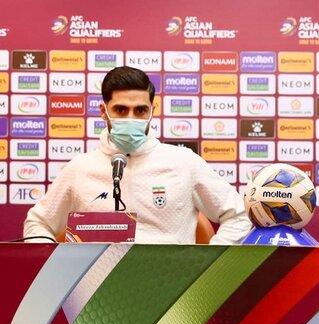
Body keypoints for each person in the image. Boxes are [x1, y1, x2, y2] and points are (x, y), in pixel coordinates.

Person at [23, 66, 252, 244]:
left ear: (152, 111)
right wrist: (57, 267)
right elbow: (38, 224)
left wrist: (205, 265)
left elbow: (238, 215)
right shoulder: (80, 168)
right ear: (104, 111)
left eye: (140, 110)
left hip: (171, 284)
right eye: (121, 110)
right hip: (97, 287)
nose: (130, 118)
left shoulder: (184, 162)